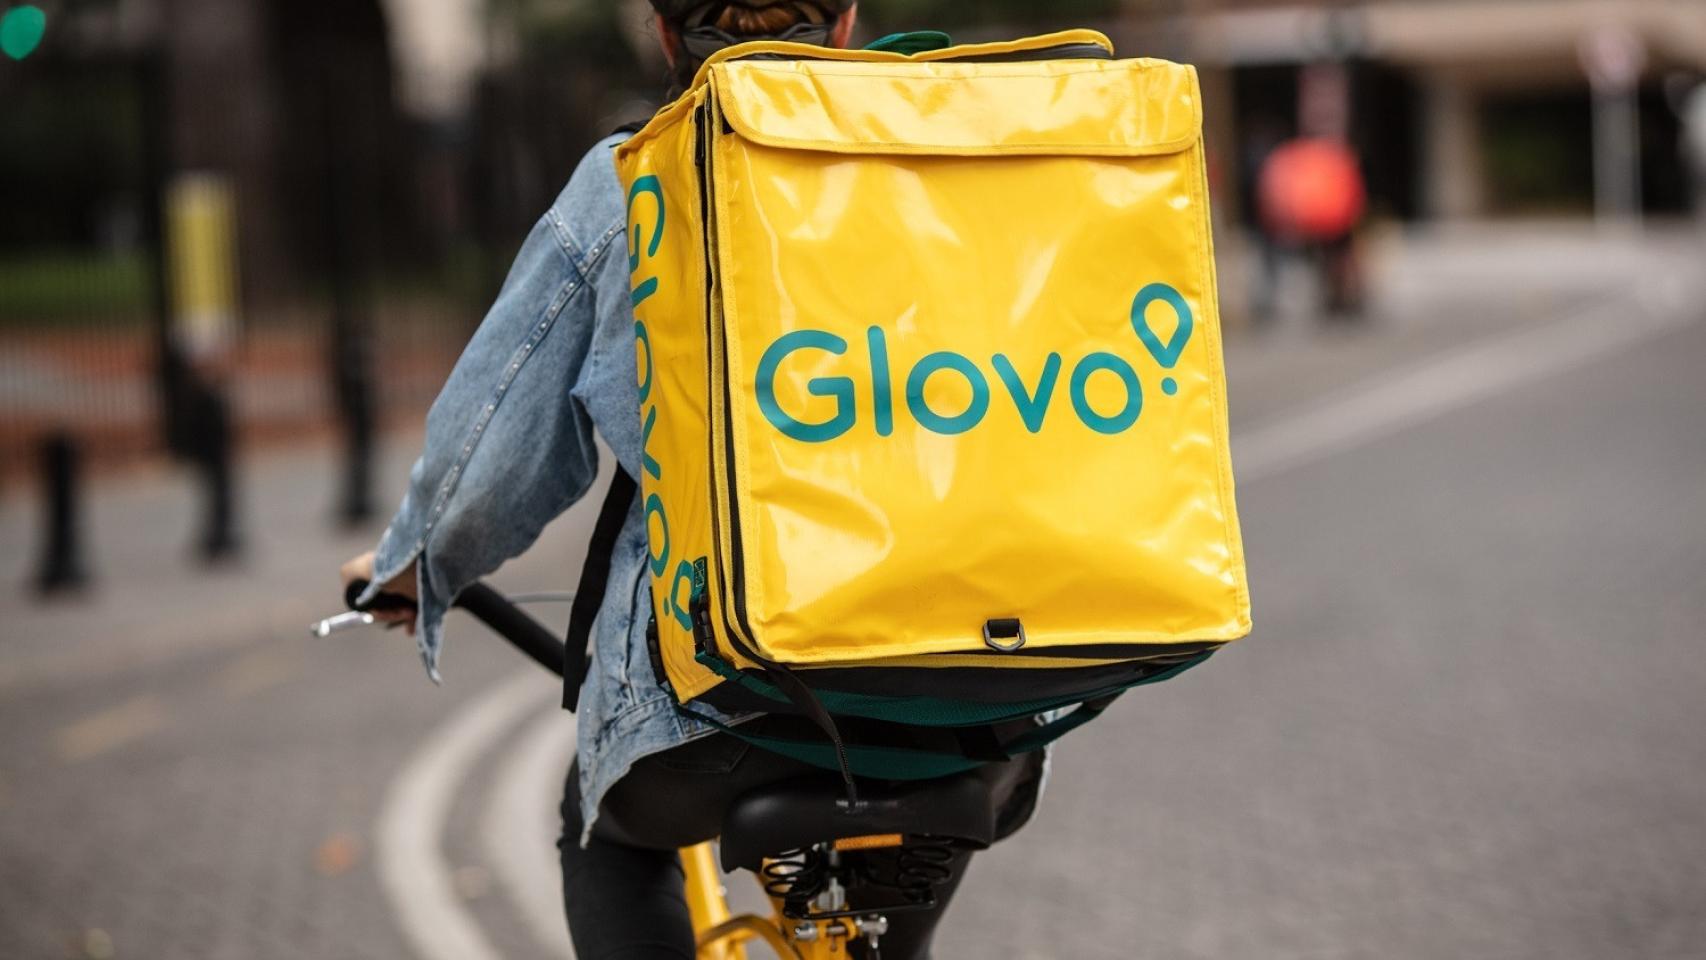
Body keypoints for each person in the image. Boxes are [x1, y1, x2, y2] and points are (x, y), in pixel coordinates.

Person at [339, 3, 1045, 957]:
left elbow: (495, 448)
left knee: (602, 825)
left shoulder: (633, 179)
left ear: (665, 33)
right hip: (974, 695)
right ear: (845, 24)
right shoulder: (956, 151)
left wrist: (416, 565)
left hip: (724, 706)